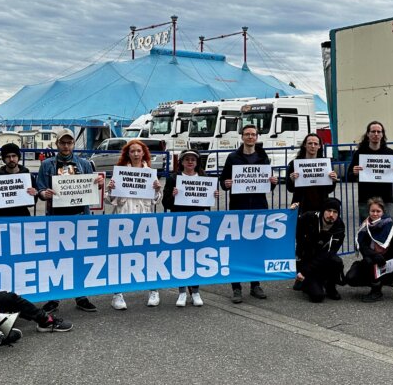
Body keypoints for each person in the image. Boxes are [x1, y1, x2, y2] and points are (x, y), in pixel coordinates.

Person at [35, 128, 102, 313]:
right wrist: (43, 193)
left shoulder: (84, 164)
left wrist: (99, 185)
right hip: (56, 218)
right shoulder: (47, 165)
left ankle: (81, 296)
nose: (66, 146)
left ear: (73, 144)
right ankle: (53, 298)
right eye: (62, 143)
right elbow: (40, 188)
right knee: (55, 259)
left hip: (80, 218)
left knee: (79, 258)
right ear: (57, 144)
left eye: (69, 143)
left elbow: (93, 190)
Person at [220, 124, 278, 303]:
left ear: (257, 137)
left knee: (256, 247)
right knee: (236, 248)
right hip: (238, 207)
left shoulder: (263, 157)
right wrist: (226, 184)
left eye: (253, 134)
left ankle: (255, 285)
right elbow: (223, 180)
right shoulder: (233, 157)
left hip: (259, 207)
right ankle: (236, 287)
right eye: (247, 134)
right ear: (242, 137)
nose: (250, 137)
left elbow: (267, 183)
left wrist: (273, 182)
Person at [104, 139, 163, 310]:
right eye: (132, 151)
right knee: (120, 257)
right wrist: (111, 189)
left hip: (144, 219)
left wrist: (157, 190)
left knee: (149, 256)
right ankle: (118, 294)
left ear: (144, 153)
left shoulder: (150, 173)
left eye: (139, 151)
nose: (136, 154)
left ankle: (153, 291)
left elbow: (156, 201)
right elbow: (110, 200)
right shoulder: (121, 173)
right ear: (127, 154)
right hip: (123, 217)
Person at [162, 149, 221, 307]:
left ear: (197, 162)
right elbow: (165, 203)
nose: (190, 162)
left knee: (196, 255)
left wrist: (213, 196)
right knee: (181, 255)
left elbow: (207, 203)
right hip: (179, 219)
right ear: (181, 162)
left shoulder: (204, 177)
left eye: (193, 160)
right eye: (186, 159)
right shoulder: (174, 178)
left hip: (198, 221)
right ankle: (181, 291)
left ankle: (195, 291)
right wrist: (172, 195)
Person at [344, 197, 393, 302]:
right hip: (371, 259)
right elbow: (363, 247)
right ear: (369, 212)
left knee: (369, 261)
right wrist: (374, 254)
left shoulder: (390, 224)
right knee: (350, 278)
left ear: (383, 212)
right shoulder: (365, 226)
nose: (375, 214)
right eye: (372, 211)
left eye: (378, 211)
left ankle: (376, 291)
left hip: (386, 262)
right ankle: (368, 276)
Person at [347, 121, 393, 221]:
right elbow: (349, 176)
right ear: (368, 134)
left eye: (379, 132)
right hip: (365, 199)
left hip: (386, 199)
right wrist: (354, 173)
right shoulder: (359, 153)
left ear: (382, 135)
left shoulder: (390, 153)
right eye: (373, 131)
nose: (376, 134)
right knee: (366, 230)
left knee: (386, 229)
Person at [294, 197, 346, 303]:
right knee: (317, 297)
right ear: (323, 211)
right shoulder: (309, 217)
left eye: (335, 212)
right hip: (306, 259)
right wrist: (291, 212)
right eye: (328, 211)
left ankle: (330, 287)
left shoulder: (339, 226)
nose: (331, 215)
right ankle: (303, 280)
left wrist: (306, 271)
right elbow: (291, 228)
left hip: (322, 261)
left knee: (336, 261)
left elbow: (330, 253)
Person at [286, 133, 338, 214]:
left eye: (316, 144)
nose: (313, 146)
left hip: (320, 205)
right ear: (304, 145)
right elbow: (290, 188)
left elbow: (329, 190)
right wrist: (292, 180)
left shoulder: (326, 164)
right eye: (310, 143)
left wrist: (333, 180)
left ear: (319, 146)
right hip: (301, 206)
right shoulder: (294, 164)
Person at [0, 143, 37, 217]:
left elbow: (31, 204)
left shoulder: (28, 177)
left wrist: (34, 194)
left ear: (18, 157)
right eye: (7, 157)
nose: (11, 159)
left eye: (14, 156)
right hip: (1, 217)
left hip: (22, 216)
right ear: (3, 159)